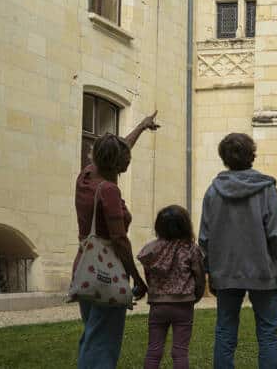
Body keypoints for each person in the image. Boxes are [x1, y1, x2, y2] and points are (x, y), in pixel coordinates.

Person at [73, 112, 159, 369]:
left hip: (85, 267)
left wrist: (142, 127)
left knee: (92, 335)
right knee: (103, 343)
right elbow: (120, 240)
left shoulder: (85, 176)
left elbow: (118, 147)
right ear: (118, 166)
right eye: (125, 163)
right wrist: (137, 278)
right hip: (106, 271)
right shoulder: (109, 191)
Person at [199, 133, 277, 369]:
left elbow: (205, 237)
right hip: (263, 271)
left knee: (225, 331)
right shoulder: (266, 189)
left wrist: (210, 271)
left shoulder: (213, 191)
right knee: (268, 334)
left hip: (226, 272)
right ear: (252, 155)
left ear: (224, 158)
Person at [137, 205, 205, 369]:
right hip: (183, 304)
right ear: (185, 225)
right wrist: (197, 295)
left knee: (154, 351)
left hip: (158, 305)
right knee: (180, 352)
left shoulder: (151, 249)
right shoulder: (190, 248)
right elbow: (200, 277)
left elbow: (148, 275)